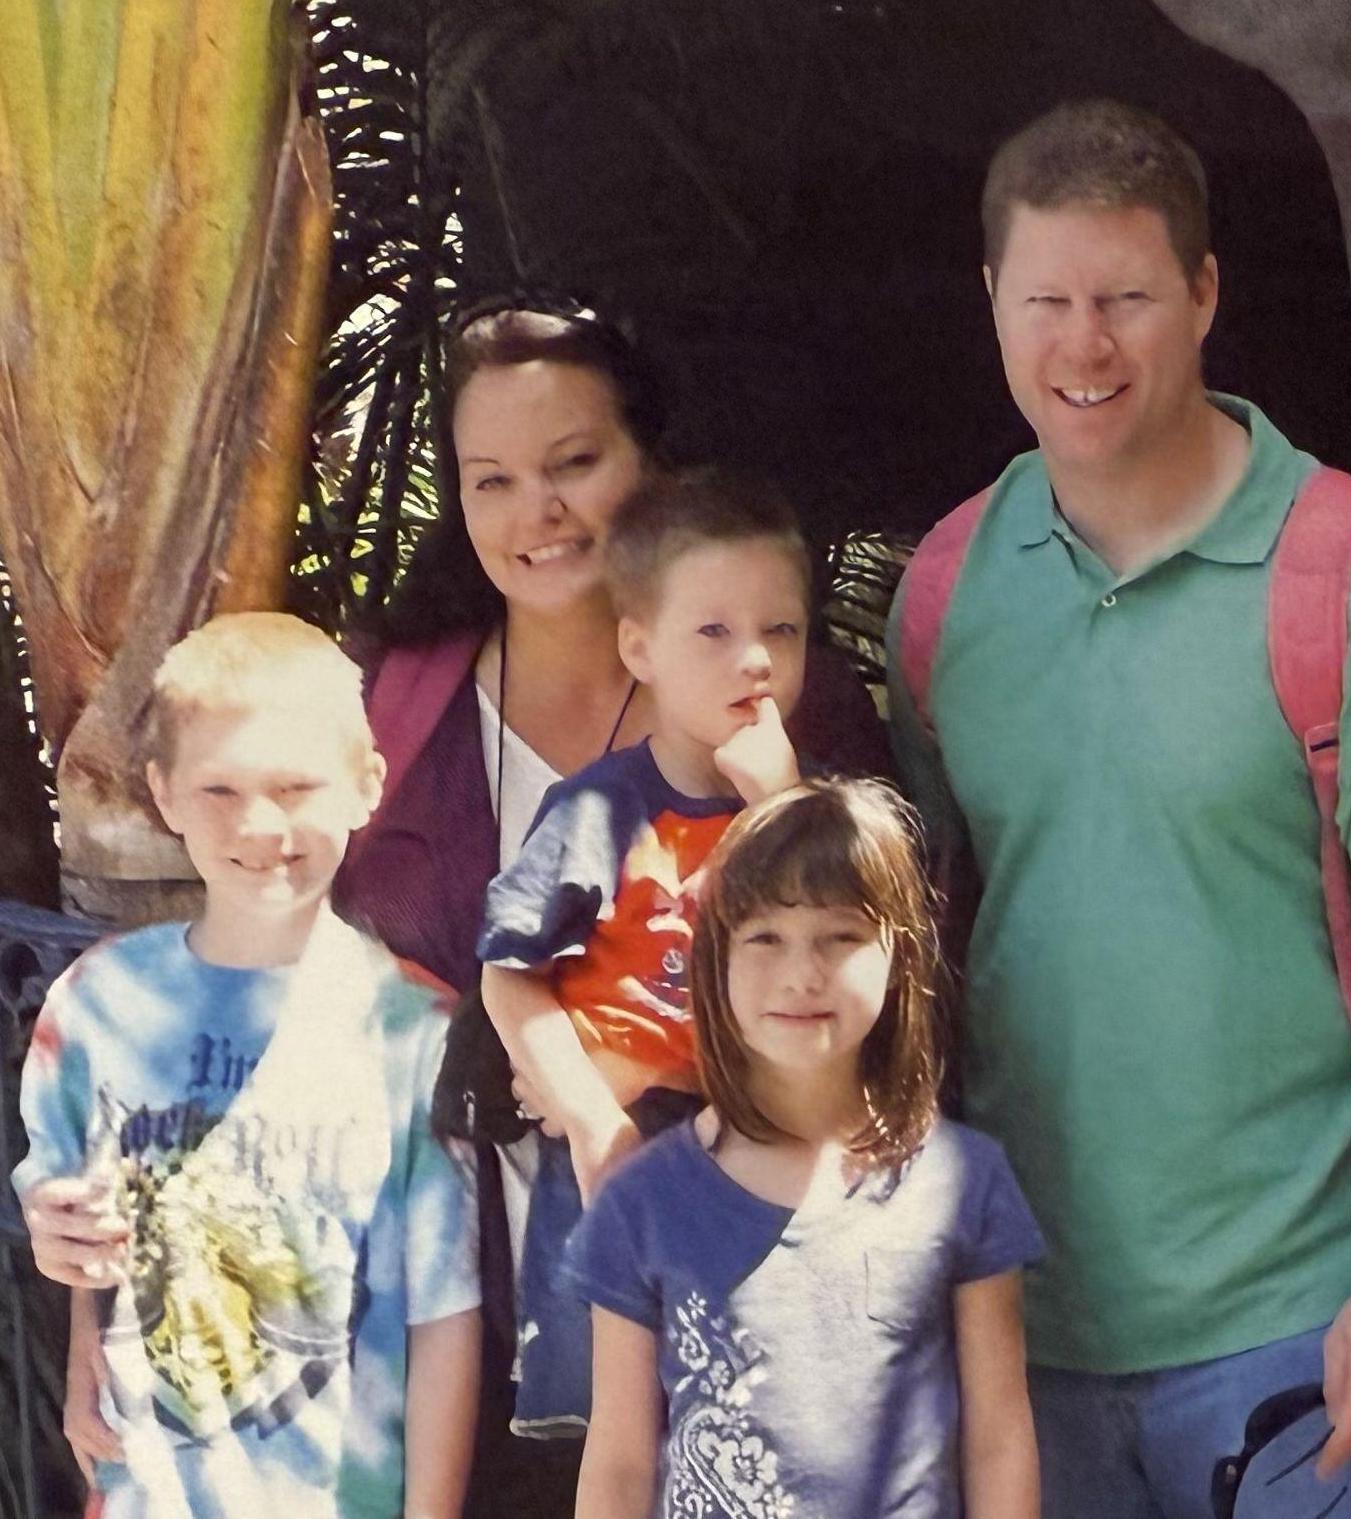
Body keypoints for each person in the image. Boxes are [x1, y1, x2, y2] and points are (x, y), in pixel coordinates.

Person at [889, 99, 1351, 1519]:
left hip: (1299, 1321)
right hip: (1020, 1325)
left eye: (1123, 297)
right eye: (1044, 298)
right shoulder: (943, 589)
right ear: (991, 299)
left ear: (1204, 293)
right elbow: (911, 939)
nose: (1083, 344)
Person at [330, 299, 889, 1515]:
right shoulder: (392, 699)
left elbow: (884, 989)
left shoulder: (782, 702)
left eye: (574, 464)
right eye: (493, 481)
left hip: (736, 1292)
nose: (537, 513)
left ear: (656, 467)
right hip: (451, 1320)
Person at [15, 613, 481, 1519]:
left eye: (295, 784)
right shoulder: (98, 1004)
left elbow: (446, 1315)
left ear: (364, 784)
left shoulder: (415, 1029)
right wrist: (76, 1319)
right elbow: (85, 1230)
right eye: (219, 788)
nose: (260, 823)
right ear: (164, 792)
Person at [569, 777, 1044, 1519]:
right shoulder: (638, 1203)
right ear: (714, 958)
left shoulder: (964, 1182)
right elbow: (621, 1463)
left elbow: (998, 1437)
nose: (801, 973)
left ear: (899, 954)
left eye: (840, 936)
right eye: (764, 937)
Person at [478, 467, 813, 1436]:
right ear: (640, 646)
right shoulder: (601, 809)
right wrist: (588, 1117)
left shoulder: (816, 814)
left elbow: (859, 978)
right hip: (622, 1162)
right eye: (712, 631)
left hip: (763, 1159)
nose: (753, 659)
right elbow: (509, 972)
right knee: (626, 1450)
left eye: (779, 631)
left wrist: (782, 809)